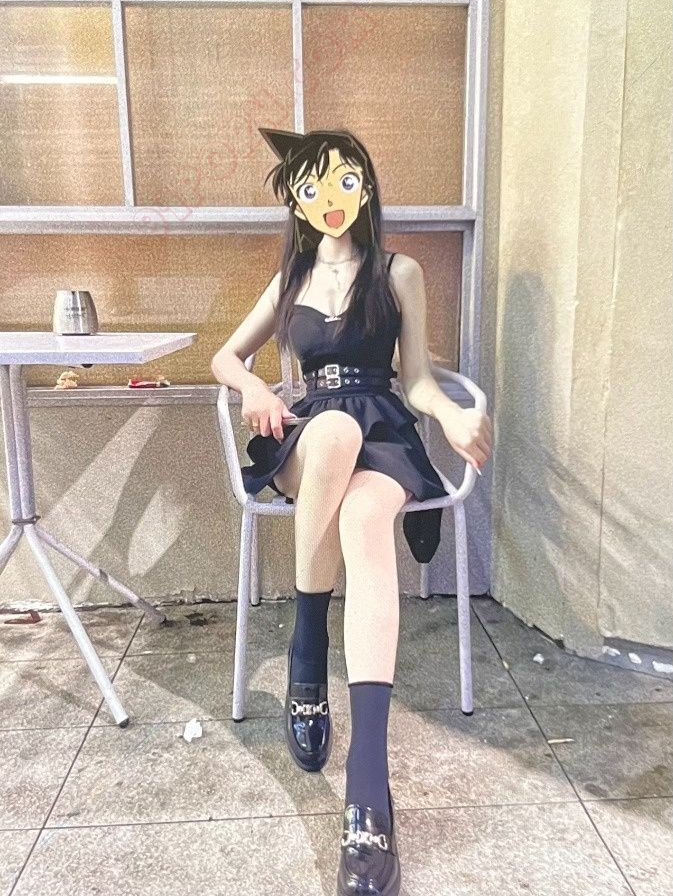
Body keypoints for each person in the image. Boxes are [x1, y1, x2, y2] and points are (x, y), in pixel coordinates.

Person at [210, 127, 492, 896]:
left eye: (342, 181)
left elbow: (419, 378)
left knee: (368, 524)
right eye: (310, 188)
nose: (328, 198)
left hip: (387, 432)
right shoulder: (292, 277)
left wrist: (452, 416)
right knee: (332, 429)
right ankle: (309, 649)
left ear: (364, 187)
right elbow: (226, 355)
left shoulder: (398, 272)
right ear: (297, 203)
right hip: (311, 434)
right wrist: (255, 387)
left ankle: (368, 785)